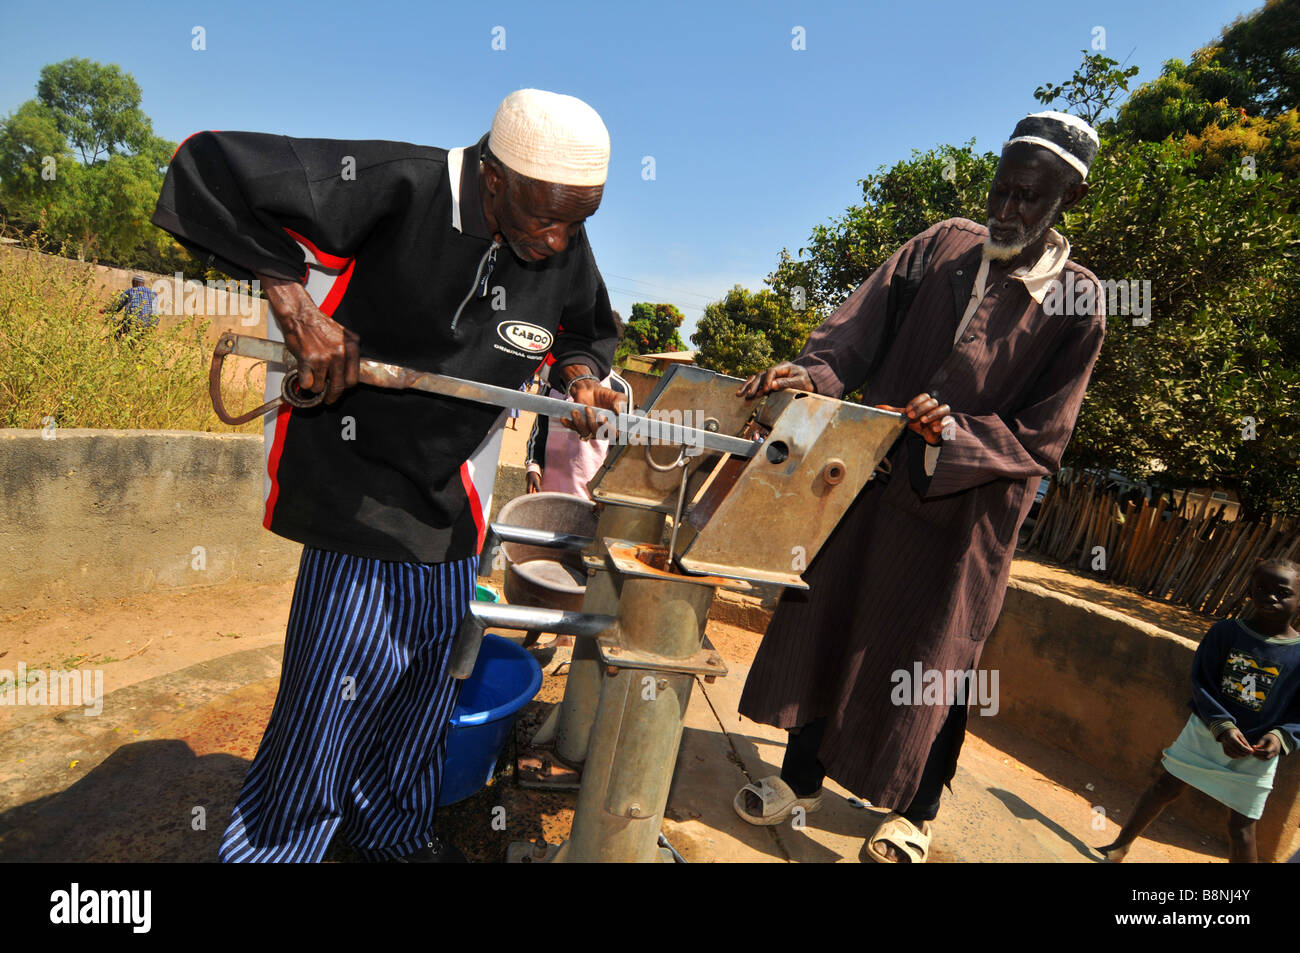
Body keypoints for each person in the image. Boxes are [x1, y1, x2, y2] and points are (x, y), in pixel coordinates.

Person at [151, 89, 626, 863]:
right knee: (335, 695)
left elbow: (586, 327)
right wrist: (296, 308)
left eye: (580, 220)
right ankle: (278, 847)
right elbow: (202, 167)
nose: (560, 237)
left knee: (425, 689)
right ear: (495, 178)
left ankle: (393, 837)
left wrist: (579, 376)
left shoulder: (561, 239)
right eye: (548, 215)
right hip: (358, 479)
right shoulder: (399, 183)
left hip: (453, 494)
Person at [732, 111, 1107, 863]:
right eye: (1000, 190)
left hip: (965, 511)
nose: (1006, 211)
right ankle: (800, 779)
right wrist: (814, 373)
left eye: (1029, 199)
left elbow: (1044, 435)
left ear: (1068, 198)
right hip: (873, 478)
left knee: (938, 655)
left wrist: (957, 436)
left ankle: (916, 812)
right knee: (832, 616)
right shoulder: (942, 245)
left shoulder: (1082, 299)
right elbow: (857, 328)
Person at [1098, 559, 1300, 863]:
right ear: (1249, 591)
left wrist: (1280, 738)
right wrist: (1223, 727)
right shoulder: (1226, 633)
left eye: (1282, 592)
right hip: (1206, 734)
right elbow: (1201, 681)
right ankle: (1121, 845)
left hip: (1255, 753)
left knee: (1242, 827)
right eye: (1262, 589)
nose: (1270, 597)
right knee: (1165, 787)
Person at [525, 323, 631, 500]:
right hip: (549, 489)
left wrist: (609, 490)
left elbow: (620, 449)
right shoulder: (553, 384)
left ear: (615, 347)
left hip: (590, 496)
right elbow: (539, 431)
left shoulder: (620, 389)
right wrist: (533, 468)